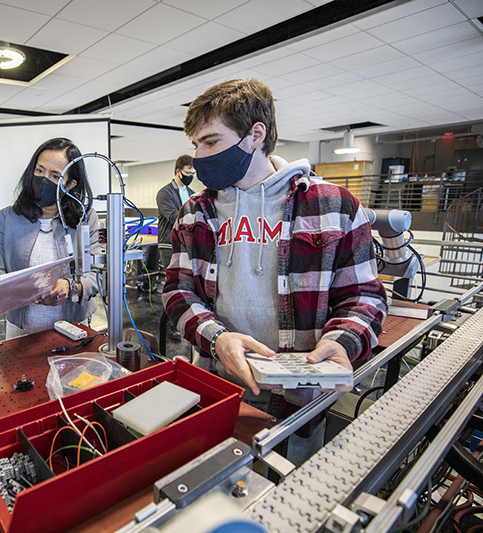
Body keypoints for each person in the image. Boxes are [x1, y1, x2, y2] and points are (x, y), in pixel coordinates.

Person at [163, 79, 387, 465]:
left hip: (301, 394)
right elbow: (177, 291)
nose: (199, 156)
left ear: (255, 134)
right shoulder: (195, 212)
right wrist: (217, 338)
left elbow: (364, 295)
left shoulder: (333, 205)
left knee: (286, 489)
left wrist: (345, 340)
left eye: (211, 142)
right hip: (218, 384)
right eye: (196, 145)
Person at [0, 138, 100, 339]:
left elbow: (96, 274)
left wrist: (72, 287)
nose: (43, 179)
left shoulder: (85, 218)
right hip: (20, 331)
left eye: (55, 176)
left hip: (72, 330)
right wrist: (12, 289)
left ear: (71, 184)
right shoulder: (8, 218)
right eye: (39, 171)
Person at [155, 154, 196, 341]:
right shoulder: (165, 193)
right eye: (188, 172)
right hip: (168, 244)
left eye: (194, 173)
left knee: (188, 285)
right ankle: (171, 325)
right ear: (178, 171)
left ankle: (187, 320)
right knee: (173, 285)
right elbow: (173, 216)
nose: (191, 176)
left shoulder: (191, 192)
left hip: (187, 243)